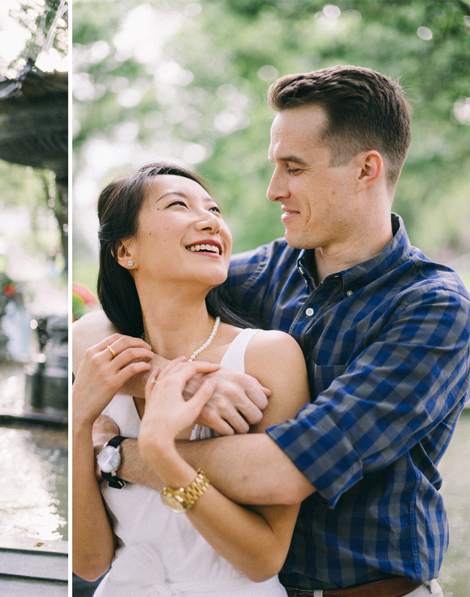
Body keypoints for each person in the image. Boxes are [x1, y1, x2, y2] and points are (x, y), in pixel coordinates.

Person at [73, 66, 470, 596]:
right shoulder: (261, 273)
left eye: (294, 168)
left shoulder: (434, 311)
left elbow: (281, 473)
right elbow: (111, 316)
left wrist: (120, 455)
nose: (272, 190)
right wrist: (177, 381)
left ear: (366, 170)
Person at [73, 163, 310, 595]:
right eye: (178, 205)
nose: (210, 221)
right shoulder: (106, 366)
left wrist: (162, 454)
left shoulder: (266, 357)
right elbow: (89, 565)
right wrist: (77, 426)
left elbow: (264, 559)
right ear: (126, 251)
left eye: (215, 210)